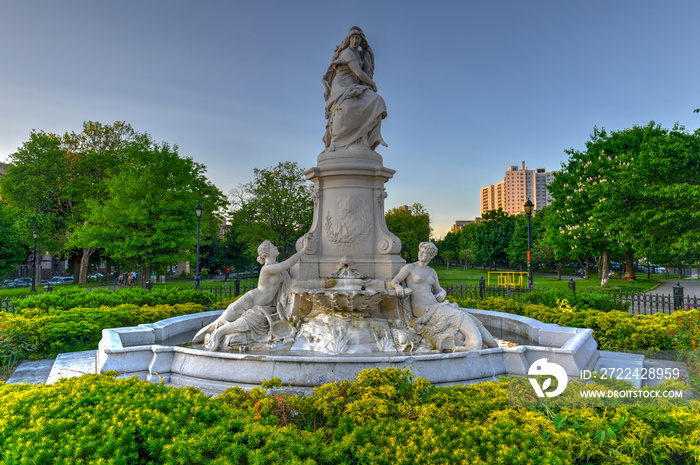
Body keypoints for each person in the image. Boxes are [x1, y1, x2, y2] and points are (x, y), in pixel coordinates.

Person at [192, 239, 309, 351]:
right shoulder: (267, 269)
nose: (276, 247)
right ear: (267, 253)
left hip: (260, 305)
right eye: (273, 246)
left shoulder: (276, 267)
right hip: (250, 300)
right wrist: (304, 250)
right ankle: (202, 336)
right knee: (222, 319)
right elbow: (288, 263)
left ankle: (214, 334)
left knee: (227, 322)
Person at [391, 242, 498, 352]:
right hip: (424, 311)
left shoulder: (431, 271)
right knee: (457, 315)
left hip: (436, 306)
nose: (421, 253)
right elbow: (395, 281)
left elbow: (438, 289)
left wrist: (443, 292)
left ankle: (492, 344)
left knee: (466, 314)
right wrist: (399, 288)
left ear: (431, 256)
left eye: (425, 252)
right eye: (420, 251)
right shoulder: (410, 268)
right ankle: (475, 344)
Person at [322, 26, 387, 152]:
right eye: (353, 38)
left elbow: (363, 73)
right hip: (341, 85)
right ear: (349, 39)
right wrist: (373, 84)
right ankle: (336, 142)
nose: (355, 40)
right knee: (346, 107)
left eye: (358, 38)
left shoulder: (360, 54)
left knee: (377, 100)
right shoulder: (347, 53)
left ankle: (372, 139)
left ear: (361, 40)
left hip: (355, 86)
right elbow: (360, 74)